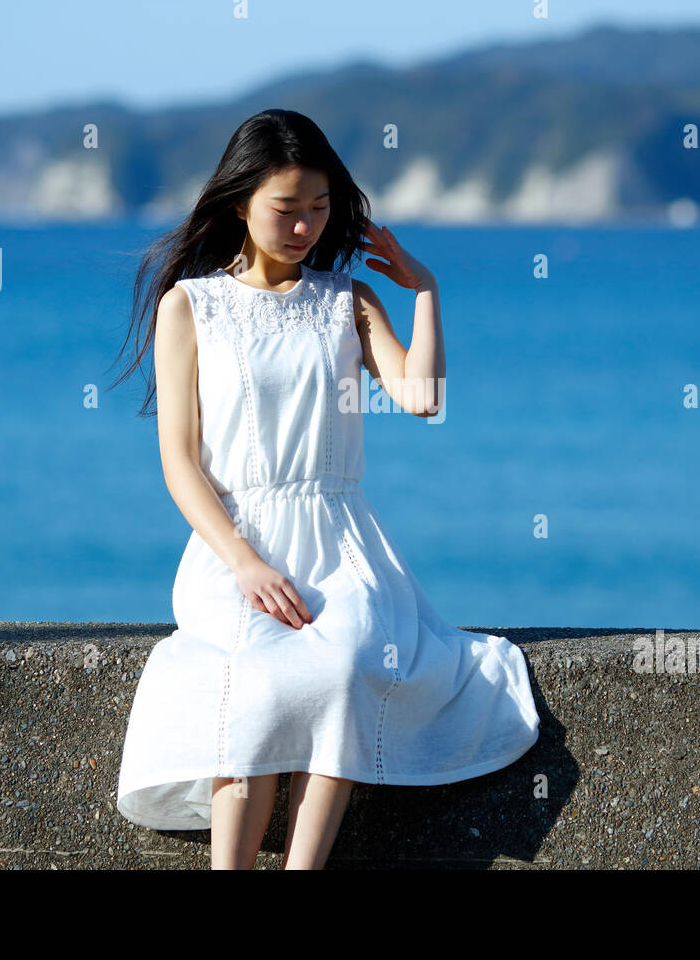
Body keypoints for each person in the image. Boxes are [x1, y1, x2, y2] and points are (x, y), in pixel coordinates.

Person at [109, 109, 540, 869]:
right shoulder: (192, 306)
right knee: (255, 683)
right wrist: (243, 560)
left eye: (318, 207)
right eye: (286, 208)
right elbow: (179, 460)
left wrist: (425, 289)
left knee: (346, 664)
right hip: (232, 543)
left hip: (342, 542)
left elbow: (423, 395)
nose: (305, 225)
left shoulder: (347, 301)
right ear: (240, 200)